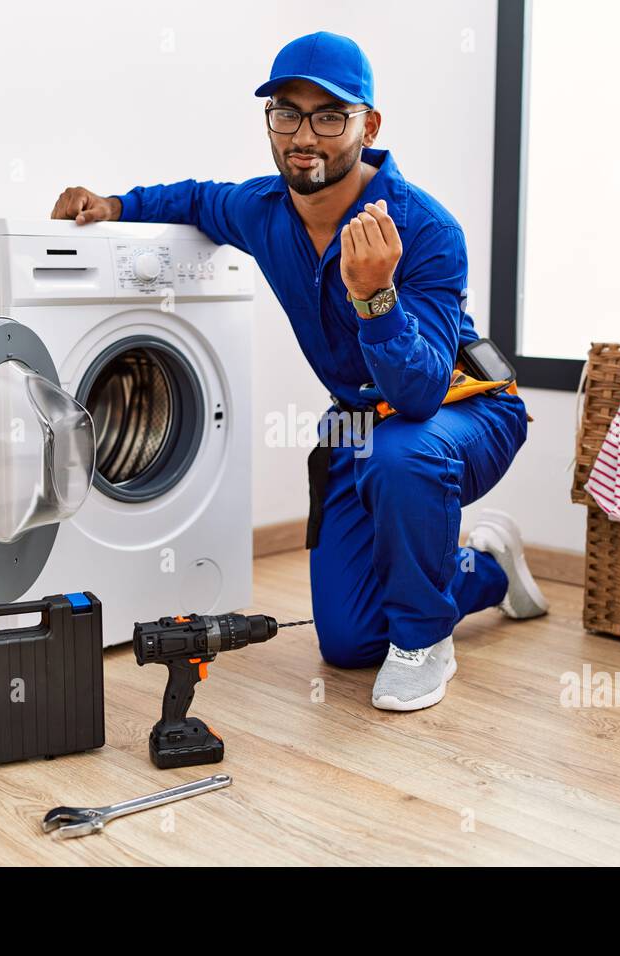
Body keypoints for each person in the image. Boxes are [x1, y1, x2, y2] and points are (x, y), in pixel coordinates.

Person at [52, 31, 548, 711]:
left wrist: (375, 298)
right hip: (359, 427)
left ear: (367, 125)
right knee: (346, 643)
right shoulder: (265, 213)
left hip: (463, 412)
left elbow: (421, 390)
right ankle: (485, 567)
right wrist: (114, 203)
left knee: (402, 453)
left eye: (329, 115)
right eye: (286, 113)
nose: (303, 134)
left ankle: (427, 640)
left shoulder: (424, 229)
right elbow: (197, 198)